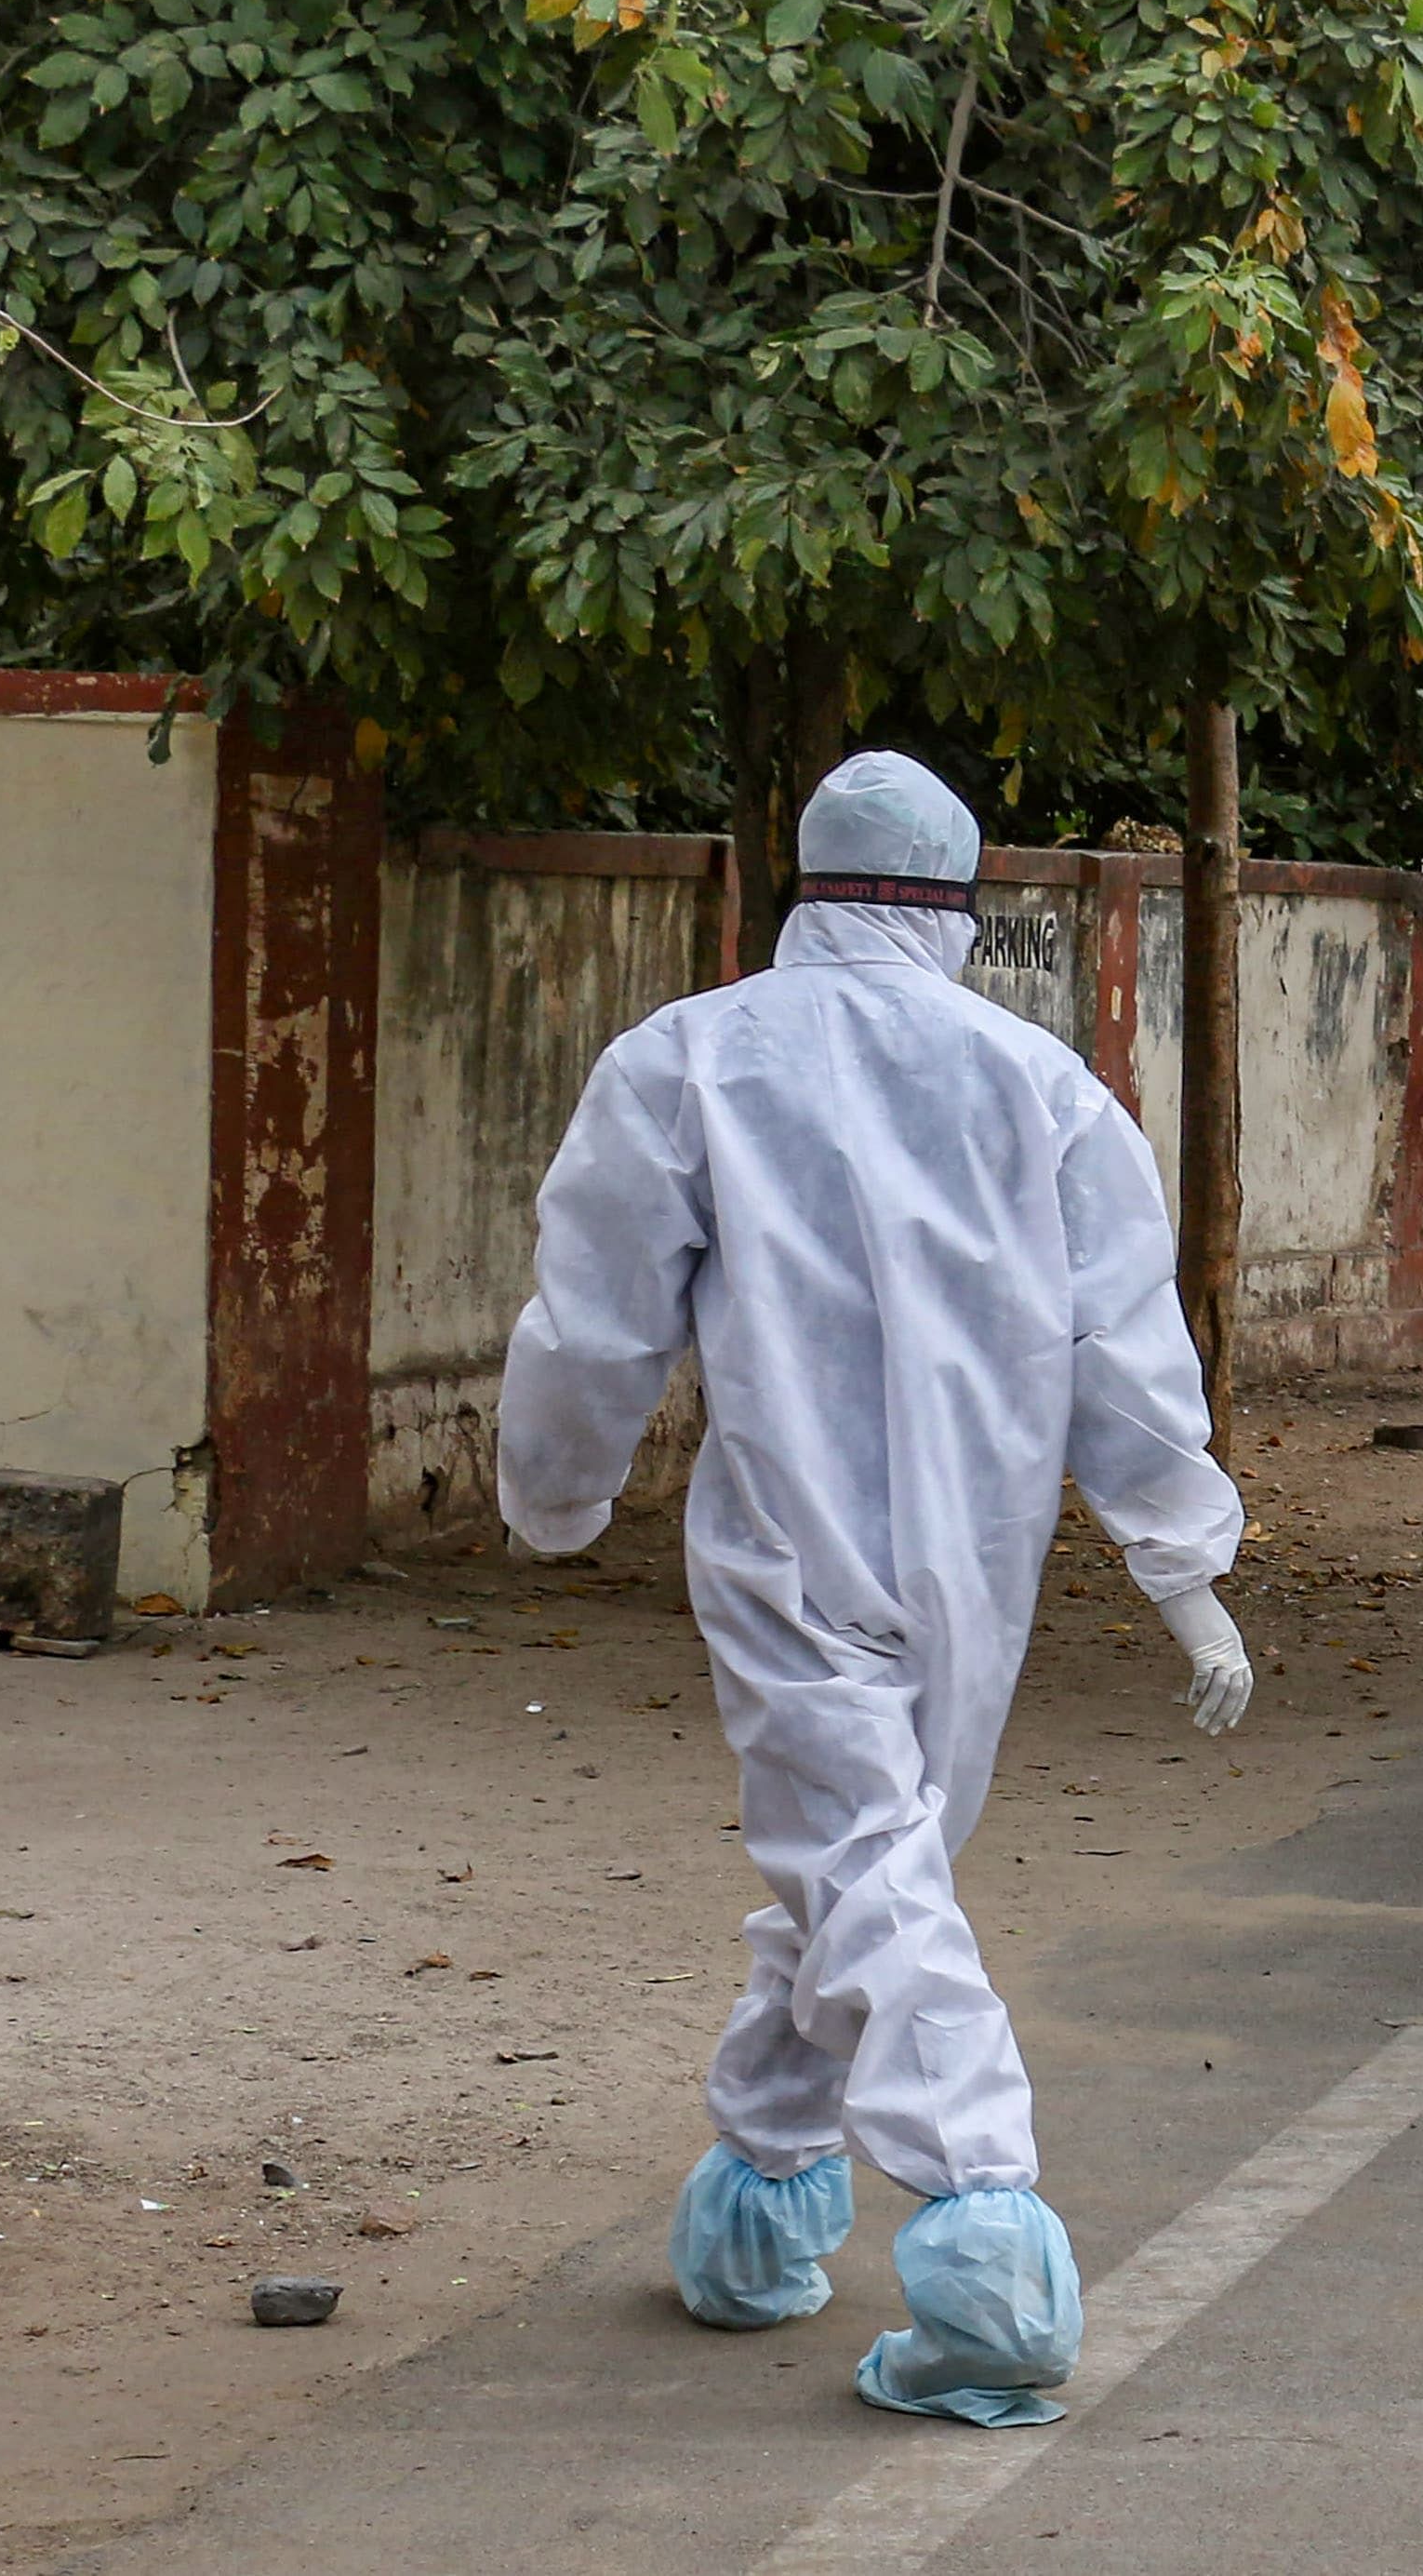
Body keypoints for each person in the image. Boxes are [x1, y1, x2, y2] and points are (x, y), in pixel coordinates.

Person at [499, 751, 1257, 2419]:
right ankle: (763, 2195)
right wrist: (1184, 1575)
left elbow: (595, 1311)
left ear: (807, 879)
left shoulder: (689, 1060)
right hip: (982, 1564)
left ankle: (984, 2234)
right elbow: (1124, 1350)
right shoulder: (1044, 1082)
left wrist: (552, 1493)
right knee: (876, 1855)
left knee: (866, 1862)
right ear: (960, 901)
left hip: (787, 1541)